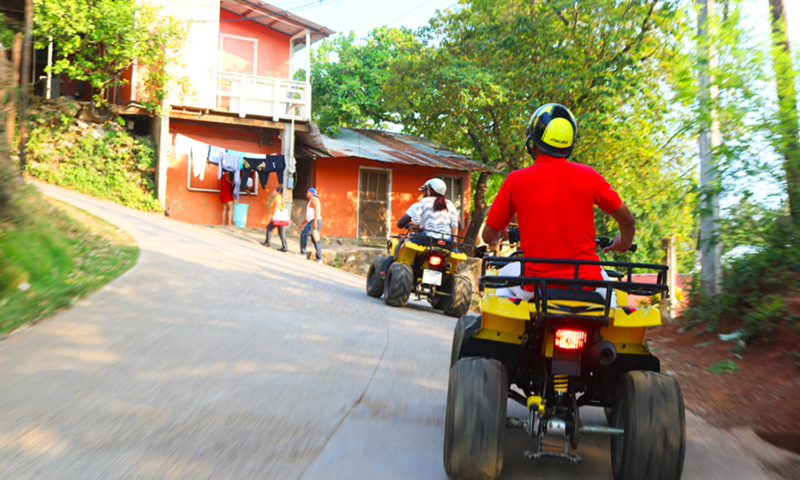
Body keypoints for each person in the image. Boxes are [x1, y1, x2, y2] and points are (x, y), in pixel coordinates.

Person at [482, 103, 635, 291]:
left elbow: (488, 235)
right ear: (569, 145)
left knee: (497, 284)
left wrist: (501, 232)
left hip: (535, 288)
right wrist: (624, 242)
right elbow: (627, 221)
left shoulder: (516, 180)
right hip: (586, 286)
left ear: (533, 142)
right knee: (613, 300)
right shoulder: (589, 176)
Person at [296, 187, 323, 263]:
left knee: (304, 234)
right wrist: (301, 224)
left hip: (315, 221)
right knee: (315, 239)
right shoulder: (311, 201)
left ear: (311, 193)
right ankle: (319, 258)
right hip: (313, 220)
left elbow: (317, 211)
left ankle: (303, 253)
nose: (306, 194)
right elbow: (308, 216)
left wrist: (315, 222)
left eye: (307, 192)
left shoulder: (314, 200)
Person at [262, 186, 288, 252]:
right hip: (281, 218)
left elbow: (277, 207)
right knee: (281, 233)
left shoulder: (278, 197)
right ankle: (285, 247)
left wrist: (274, 217)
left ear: (278, 192)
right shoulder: (280, 197)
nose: (273, 192)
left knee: (269, 227)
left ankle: (267, 242)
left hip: (278, 217)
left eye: (274, 191)